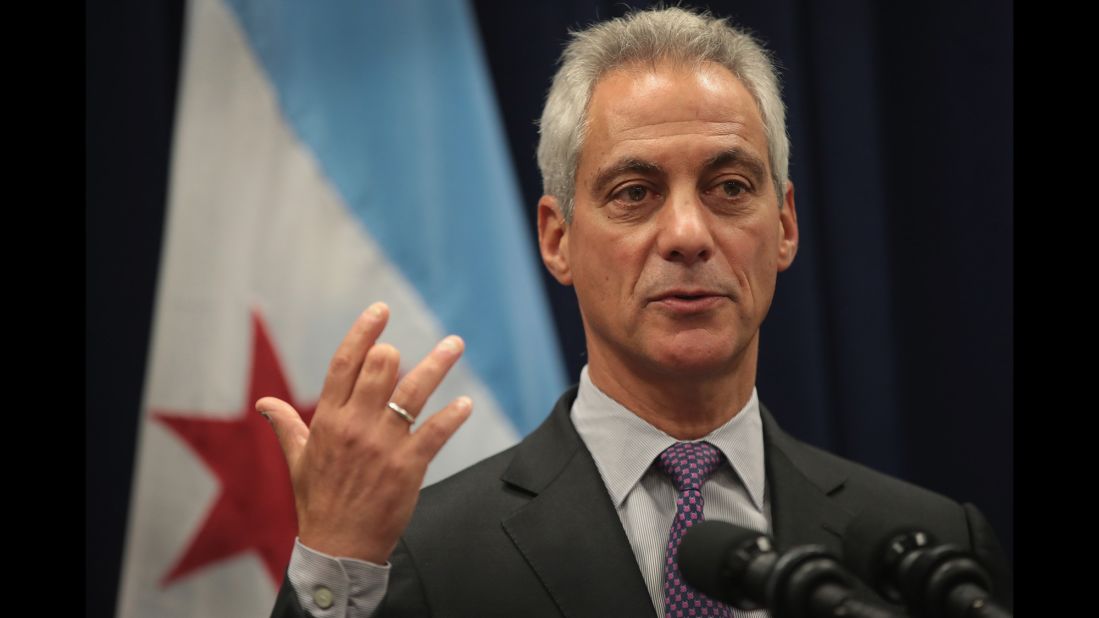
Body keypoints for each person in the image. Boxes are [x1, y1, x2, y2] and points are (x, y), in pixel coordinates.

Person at [259, 8, 1012, 617]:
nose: (687, 235)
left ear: (783, 226)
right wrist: (335, 563)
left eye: (727, 187)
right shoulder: (413, 558)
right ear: (558, 240)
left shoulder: (934, 549)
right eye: (634, 193)